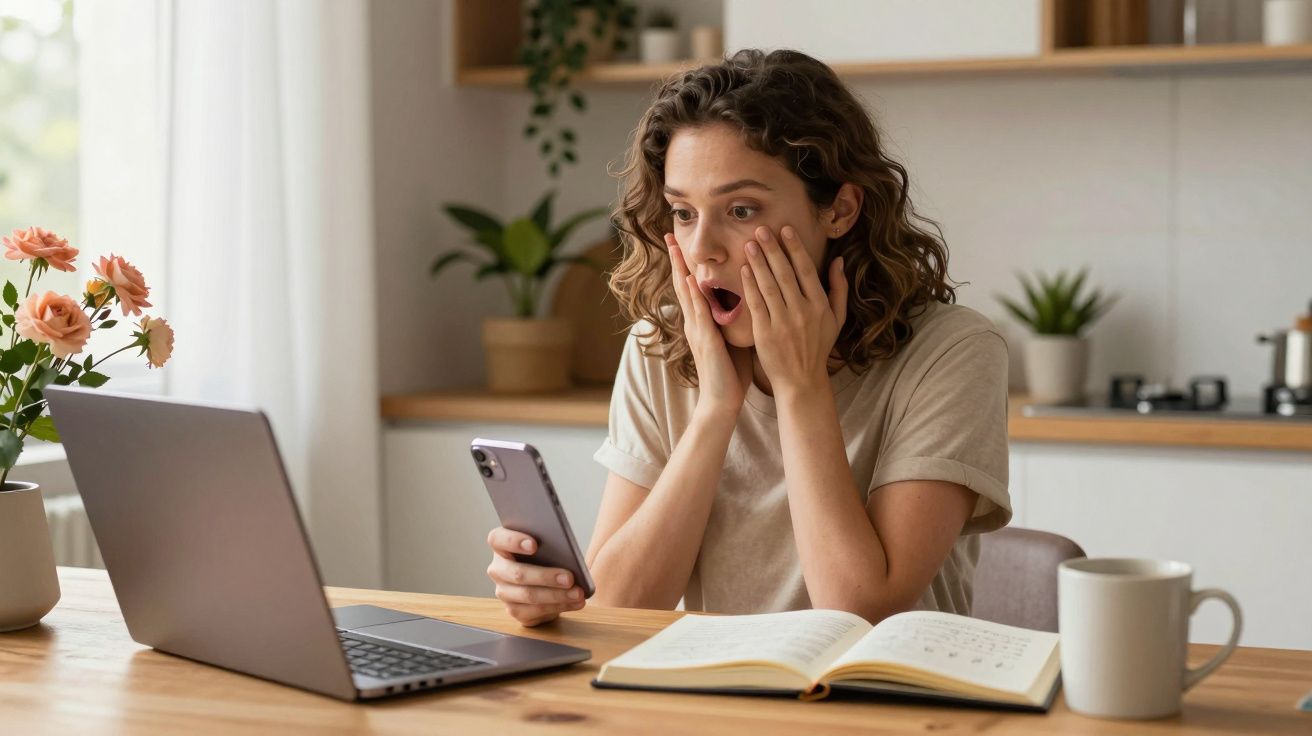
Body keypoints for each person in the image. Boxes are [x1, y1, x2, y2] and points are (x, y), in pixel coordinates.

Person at [486, 49, 1010, 627]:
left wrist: (800, 385)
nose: (703, 246)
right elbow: (619, 608)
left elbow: (860, 610)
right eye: (683, 213)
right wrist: (715, 410)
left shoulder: (953, 353)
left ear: (839, 209)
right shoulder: (660, 345)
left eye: (740, 208)